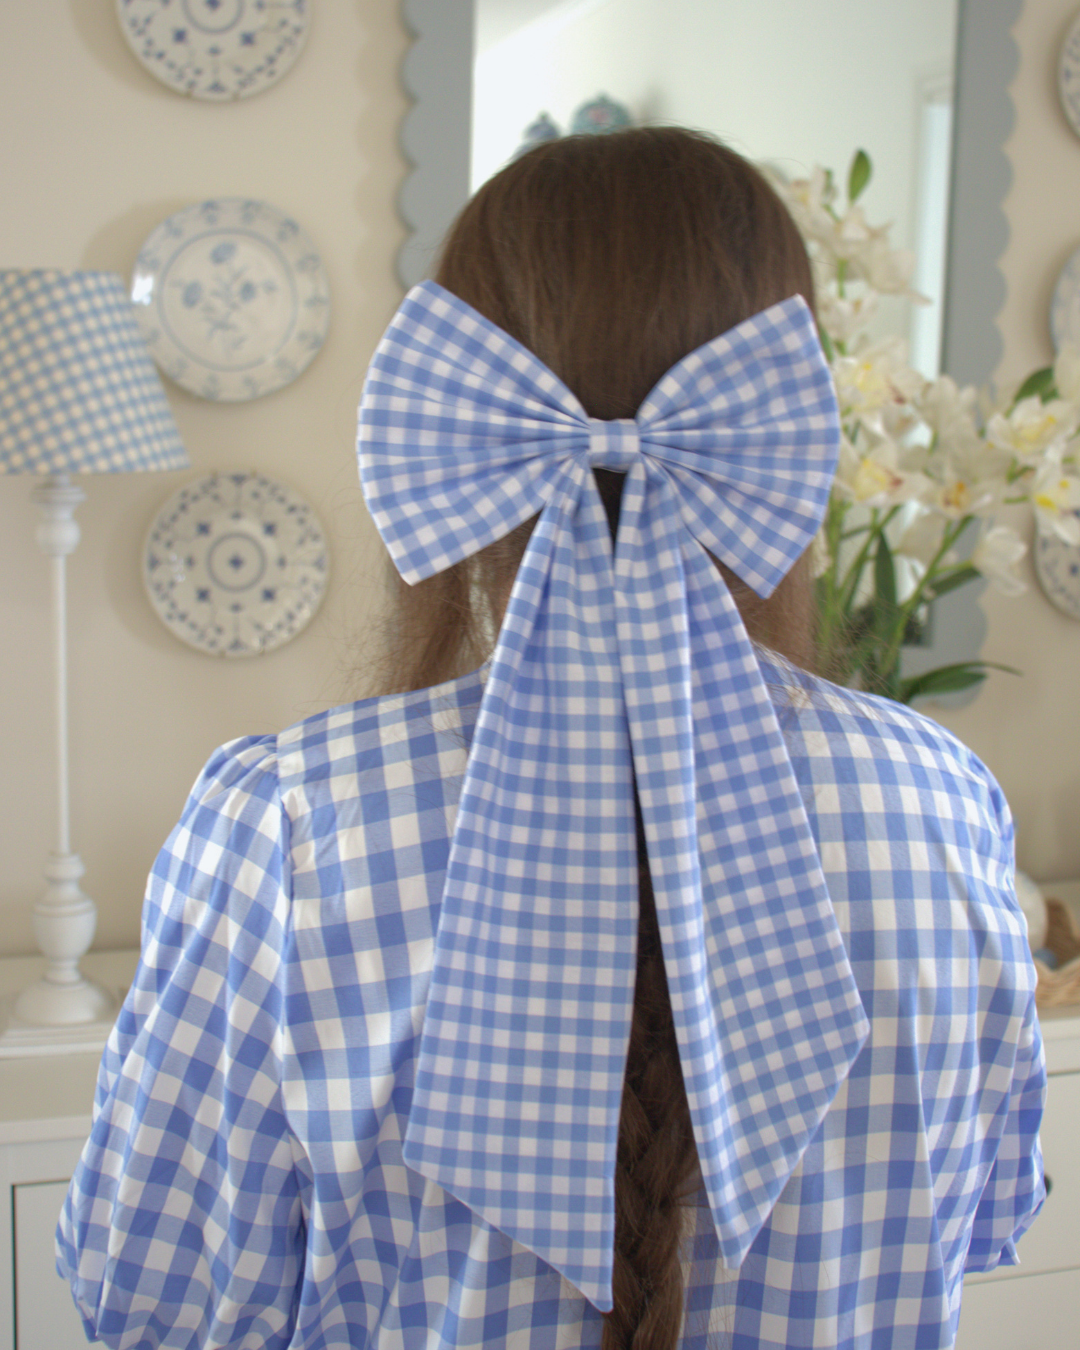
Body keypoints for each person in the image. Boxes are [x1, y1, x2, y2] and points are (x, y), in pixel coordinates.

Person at [57, 128, 1044, 1350]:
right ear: (787, 418)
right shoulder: (940, 802)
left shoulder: (292, 829)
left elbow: (151, 1298)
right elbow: (979, 1220)